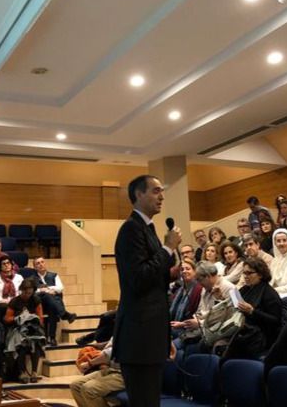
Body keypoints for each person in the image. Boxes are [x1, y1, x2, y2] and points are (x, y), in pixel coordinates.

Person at [112, 174, 181, 407]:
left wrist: (169, 273)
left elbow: (151, 280)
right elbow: (139, 279)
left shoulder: (147, 228)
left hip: (151, 334)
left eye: (162, 191)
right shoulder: (131, 229)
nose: (162, 196)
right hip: (139, 338)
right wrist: (168, 248)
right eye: (156, 191)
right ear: (138, 194)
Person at [225, 257, 282, 360]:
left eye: (249, 273)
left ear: (260, 274)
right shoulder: (245, 289)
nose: (245, 277)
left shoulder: (270, 293)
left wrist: (252, 311)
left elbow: (275, 321)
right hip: (241, 331)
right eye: (244, 273)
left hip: (258, 337)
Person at [27, 256, 77, 346]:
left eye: (42, 262)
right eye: (38, 263)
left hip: (51, 304)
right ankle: (64, 314)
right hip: (40, 303)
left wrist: (48, 288)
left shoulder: (54, 275)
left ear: (45, 263)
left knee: (52, 306)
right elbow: (30, 291)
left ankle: (52, 338)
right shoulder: (31, 278)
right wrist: (42, 291)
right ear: (34, 267)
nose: (41, 264)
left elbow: (60, 288)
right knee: (47, 296)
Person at [4, 277, 46, 383]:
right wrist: (18, 318)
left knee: (35, 342)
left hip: (32, 328)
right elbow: (7, 318)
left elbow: (40, 317)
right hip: (17, 328)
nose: (28, 295)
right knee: (21, 343)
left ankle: (34, 372)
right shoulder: (15, 301)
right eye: (26, 292)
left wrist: (33, 319)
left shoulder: (36, 299)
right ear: (22, 290)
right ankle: (22, 372)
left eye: (30, 293)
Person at [70, 338, 125, 407]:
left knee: (89, 389)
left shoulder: (131, 330)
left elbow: (109, 353)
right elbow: (109, 346)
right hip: (110, 368)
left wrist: (90, 363)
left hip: (124, 373)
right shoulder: (120, 329)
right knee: (75, 385)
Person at [169, 258, 203, 341]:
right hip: (176, 324)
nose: (184, 271)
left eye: (188, 269)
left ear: (195, 272)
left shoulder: (199, 289)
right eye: (182, 270)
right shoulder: (179, 290)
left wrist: (181, 324)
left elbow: (197, 315)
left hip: (189, 329)